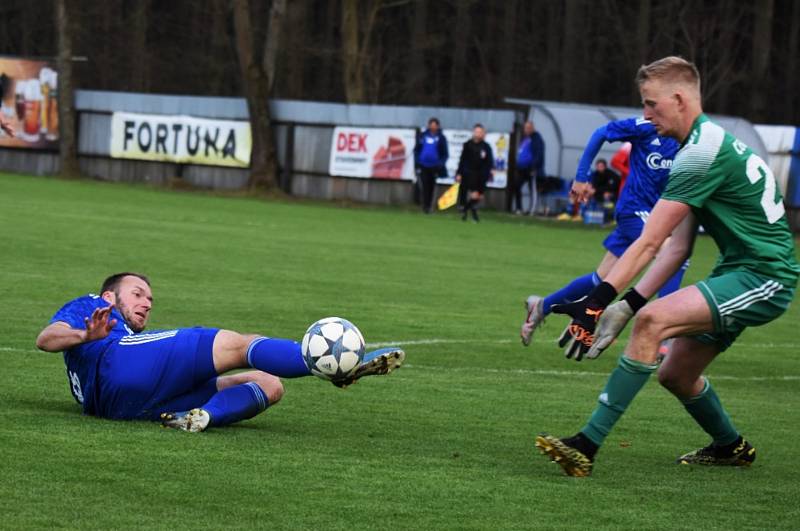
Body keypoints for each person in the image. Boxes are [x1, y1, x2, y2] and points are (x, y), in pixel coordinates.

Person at [535, 56, 799, 476]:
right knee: (675, 373)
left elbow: (650, 241)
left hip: (765, 276)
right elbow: (675, 249)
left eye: (650, 103)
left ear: (678, 99)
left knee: (653, 320)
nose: (645, 114)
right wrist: (624, 305)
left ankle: (586, 445)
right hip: (737, 273)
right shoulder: (698, 146)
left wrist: (599, 301)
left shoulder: (702, 150)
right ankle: (731, 446)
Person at [35, 273, 405, 432]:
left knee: (269, 383)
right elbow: (46, 338)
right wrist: (87, 333)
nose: (146, 303)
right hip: (120, 361)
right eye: (137, 294)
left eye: (150, 298)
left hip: (121, 407)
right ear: (108, 297)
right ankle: (328, 367)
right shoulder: (92, 308)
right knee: (240, 345)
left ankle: (204, 418)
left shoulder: (118, 327)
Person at [520, 108, 683, 346]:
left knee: (600, 279)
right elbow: (600, 133)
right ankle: (666, 341)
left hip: (658, 214)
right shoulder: (645, 126)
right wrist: (581, 177)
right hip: (634, 210)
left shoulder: (690, 137)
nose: (648, 109)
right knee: (671, 252)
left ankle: (542, 306)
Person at [456, 123, 494, 222]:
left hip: (481, 175)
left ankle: (466, 211)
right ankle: (471, 214)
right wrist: (459, 173)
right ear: (473, 132)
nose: (478, 134)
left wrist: (490, 171)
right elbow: (462, 160)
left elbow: (489, 161)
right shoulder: (467, 145)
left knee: (479, 196)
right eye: (476, 132)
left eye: (480, 132)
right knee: (475, 194)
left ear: (483, 134)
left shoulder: (486, 147)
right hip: (470, 173)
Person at [413, 117, 449, 213]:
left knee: (432, 187)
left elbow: (445, 154)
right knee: (424, 186)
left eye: (435, 125)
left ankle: (430, 206)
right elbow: (416, 150)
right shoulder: (422, 136)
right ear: (428, 125)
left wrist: (440, 164)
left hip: (434, 167)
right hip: (423, 166)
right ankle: (424, 206)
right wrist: (418, 162)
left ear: (438, 126)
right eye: (431, 125)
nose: (433, 127)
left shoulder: (441, 138)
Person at [513, 120, 545, 215]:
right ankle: (519, 208)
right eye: (525, 128)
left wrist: (534, 167)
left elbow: (539, 154)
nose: (526, 130)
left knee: (533, 190)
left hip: (531, 169)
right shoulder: (526, 138)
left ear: (532, 128)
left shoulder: (537, 138)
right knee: (517, 186)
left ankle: (532, 210)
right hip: (522, 169)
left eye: (528, 128)